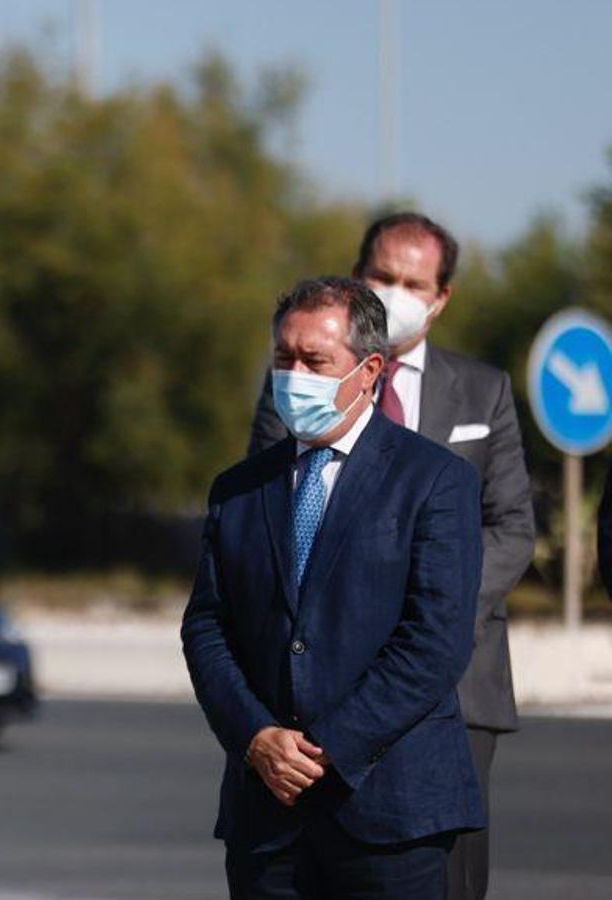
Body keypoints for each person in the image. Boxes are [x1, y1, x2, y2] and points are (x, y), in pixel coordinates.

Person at [248, 213, 532, 900]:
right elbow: (265, 518)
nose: (397, 292)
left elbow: (512, 526)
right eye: (383, 277)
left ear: (442, 297)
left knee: (447, 877)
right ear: (356, 274)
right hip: (320, 687)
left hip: (456, 682)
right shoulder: (298, 382)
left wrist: (428, 608)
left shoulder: (482, 391)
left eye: (414, 282)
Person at [185, 278, 485, 899]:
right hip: (267, 820)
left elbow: (434, 641)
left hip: (390, 816)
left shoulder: (435, 483)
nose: (295, 375)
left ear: (369, 369)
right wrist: (255, 737)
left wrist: (326, 749)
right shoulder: (239, 489)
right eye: (283, 358)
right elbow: (207, 626)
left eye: (314, 361)